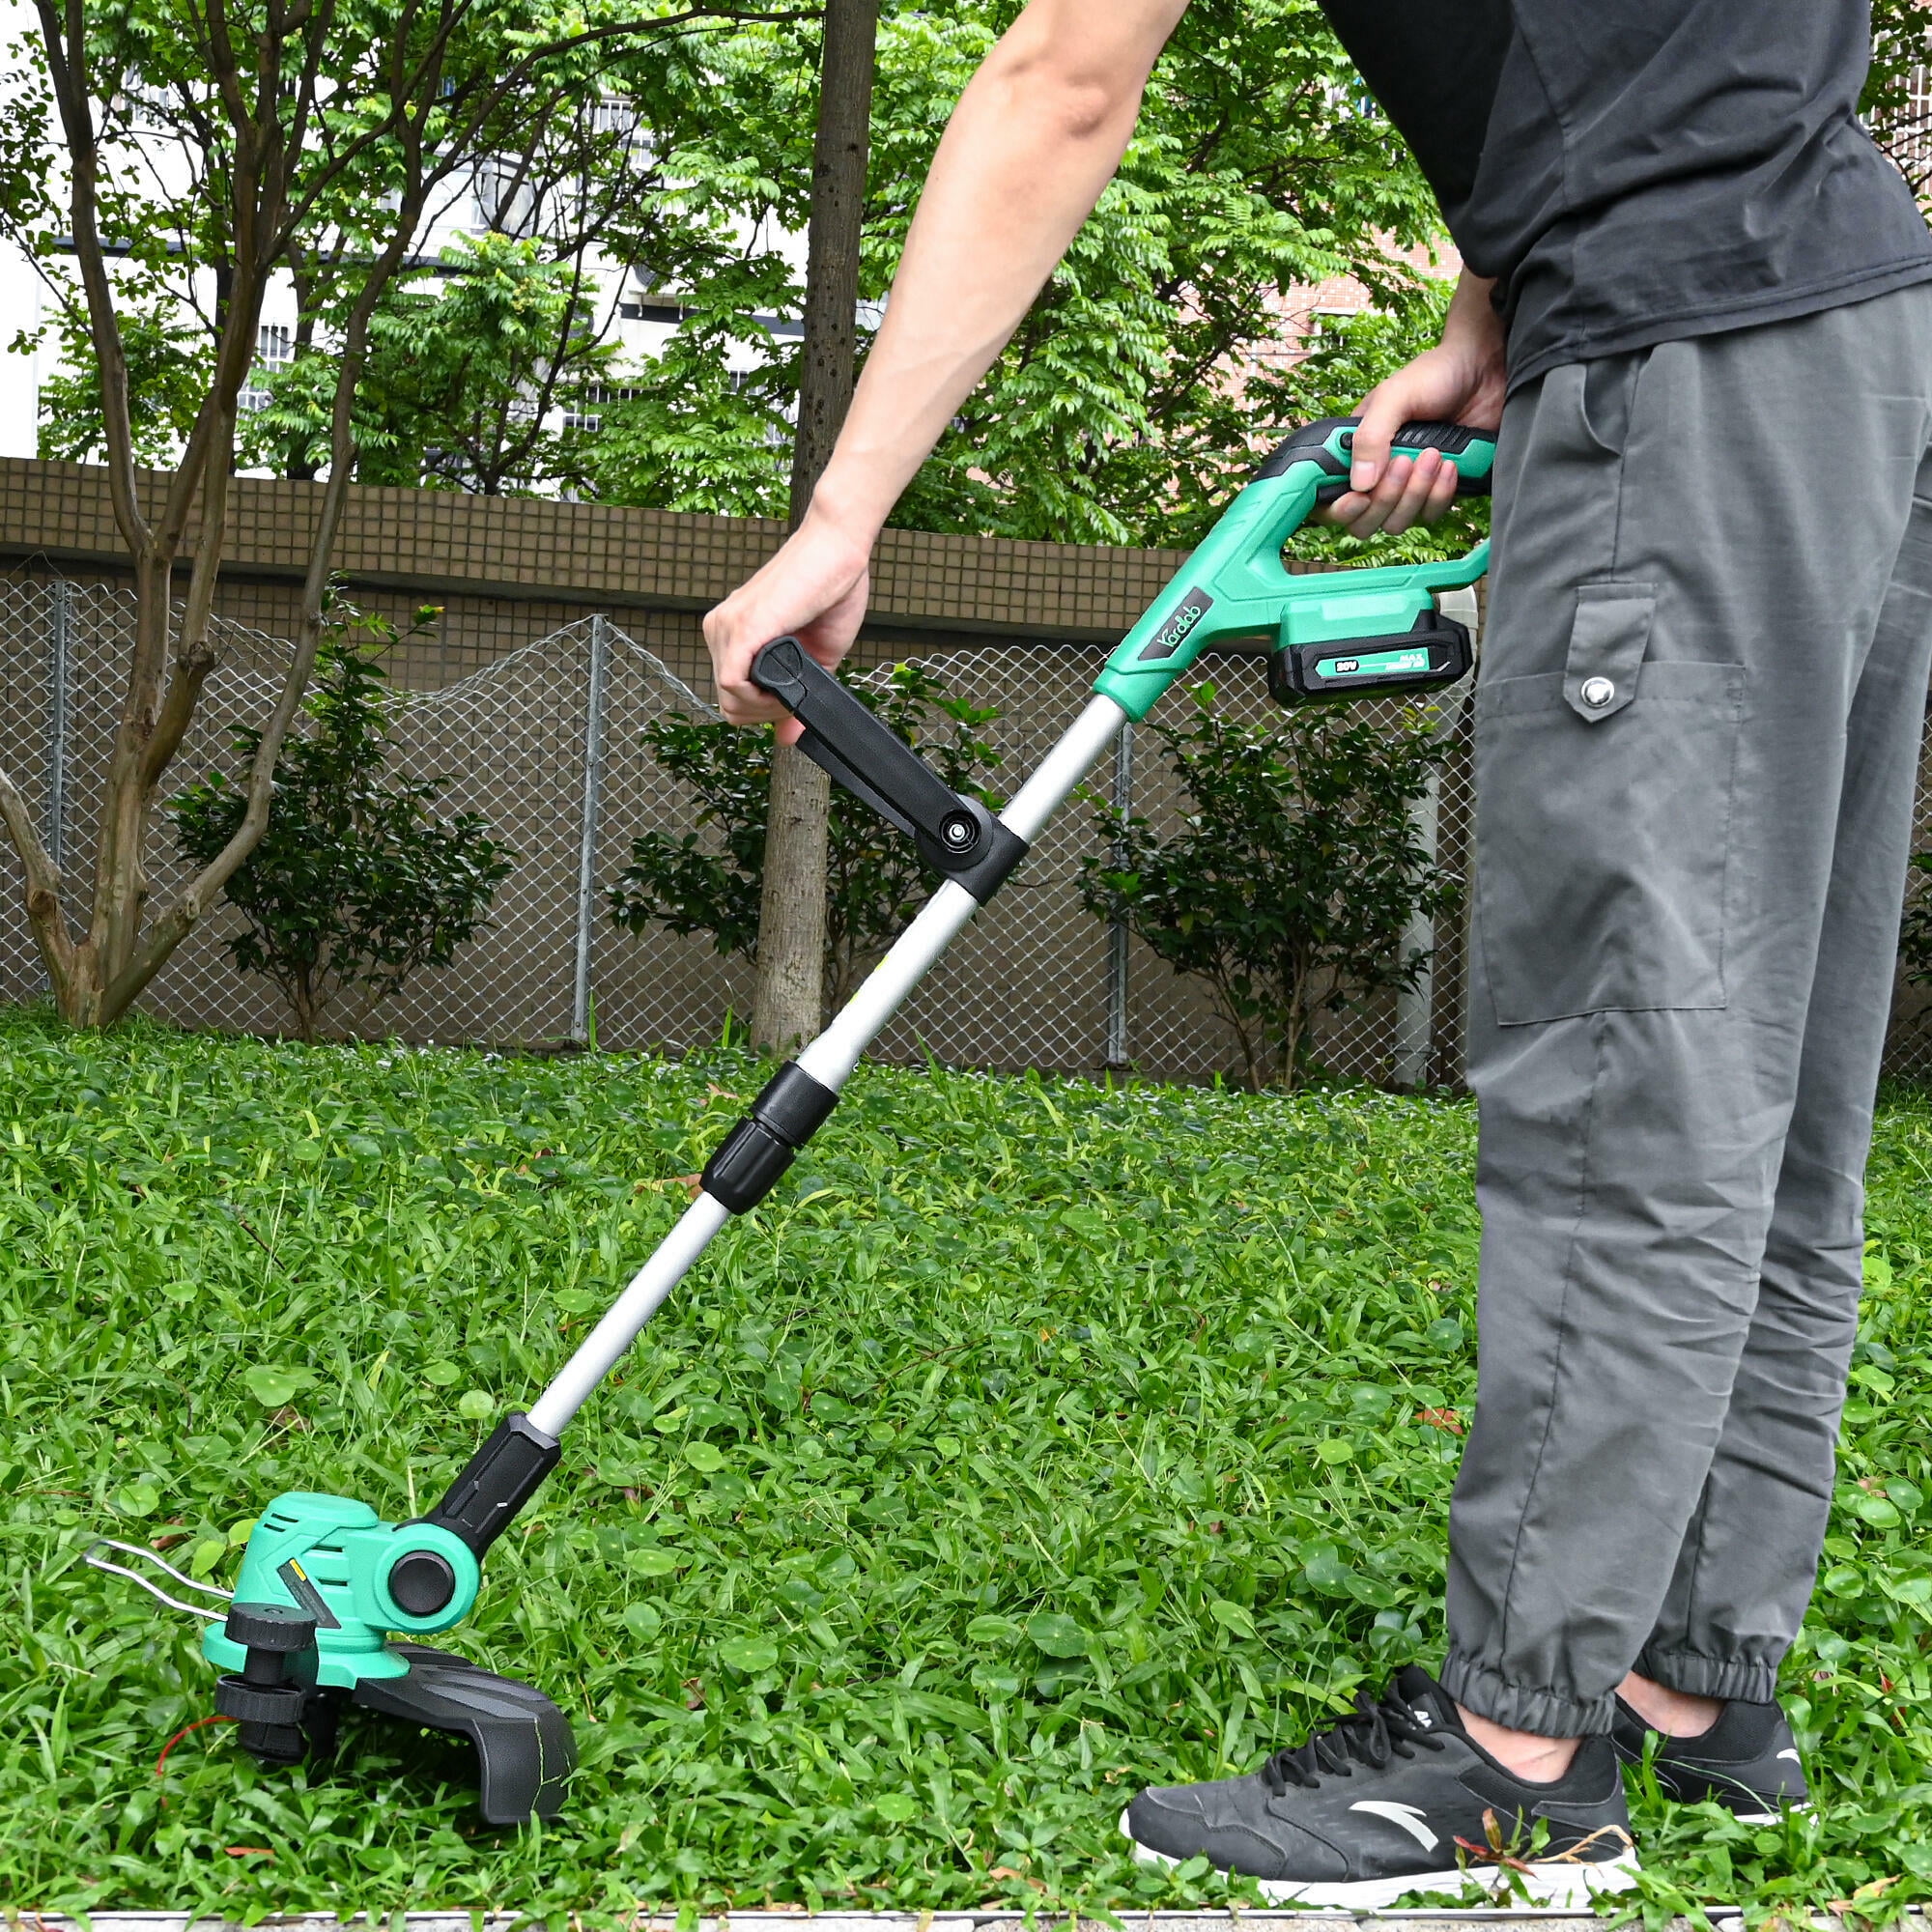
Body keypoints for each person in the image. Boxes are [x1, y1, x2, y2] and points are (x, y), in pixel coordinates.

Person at [702, 0, 1932, 1907]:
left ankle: (1518, 1761)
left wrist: (842, 513)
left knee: (1630, 1078)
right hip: (1854, 344)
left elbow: (1059, 79)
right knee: (1767, 1086)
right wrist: (1489, 310)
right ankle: (1691, 1682)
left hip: (1677, 366)